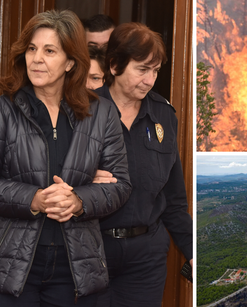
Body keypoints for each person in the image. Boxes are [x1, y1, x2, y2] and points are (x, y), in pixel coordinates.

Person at [0, 10, 131, 307]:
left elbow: (120, 185)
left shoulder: (102, 113)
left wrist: (79, 200)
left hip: (76, 269)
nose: (36, 58)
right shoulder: (0, 110)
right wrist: (35, 199)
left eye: (49, 51)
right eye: (31, 49)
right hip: (10, 266)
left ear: (70, 62)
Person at [93, 22, 193, 306]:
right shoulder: (82, 110)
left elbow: (173, 199)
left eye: (156, 71)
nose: (150, 80)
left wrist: (193, 251)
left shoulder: (164, 115)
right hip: (91, 249)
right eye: (142, 69)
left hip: (145, 256)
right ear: (114, 66)